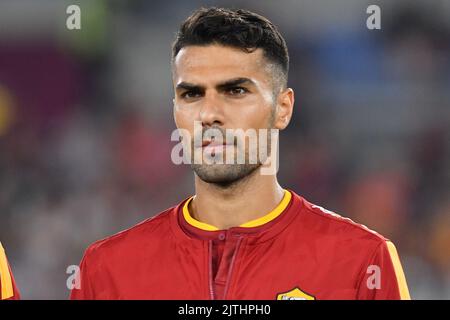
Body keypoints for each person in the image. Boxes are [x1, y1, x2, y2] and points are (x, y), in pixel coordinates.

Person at [71, 7, 410, 300]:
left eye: (235, 91)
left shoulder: (361, 262)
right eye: (191, 94)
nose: (209, 113)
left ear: (283, 108)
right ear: (175, 110)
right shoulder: (108, 270)